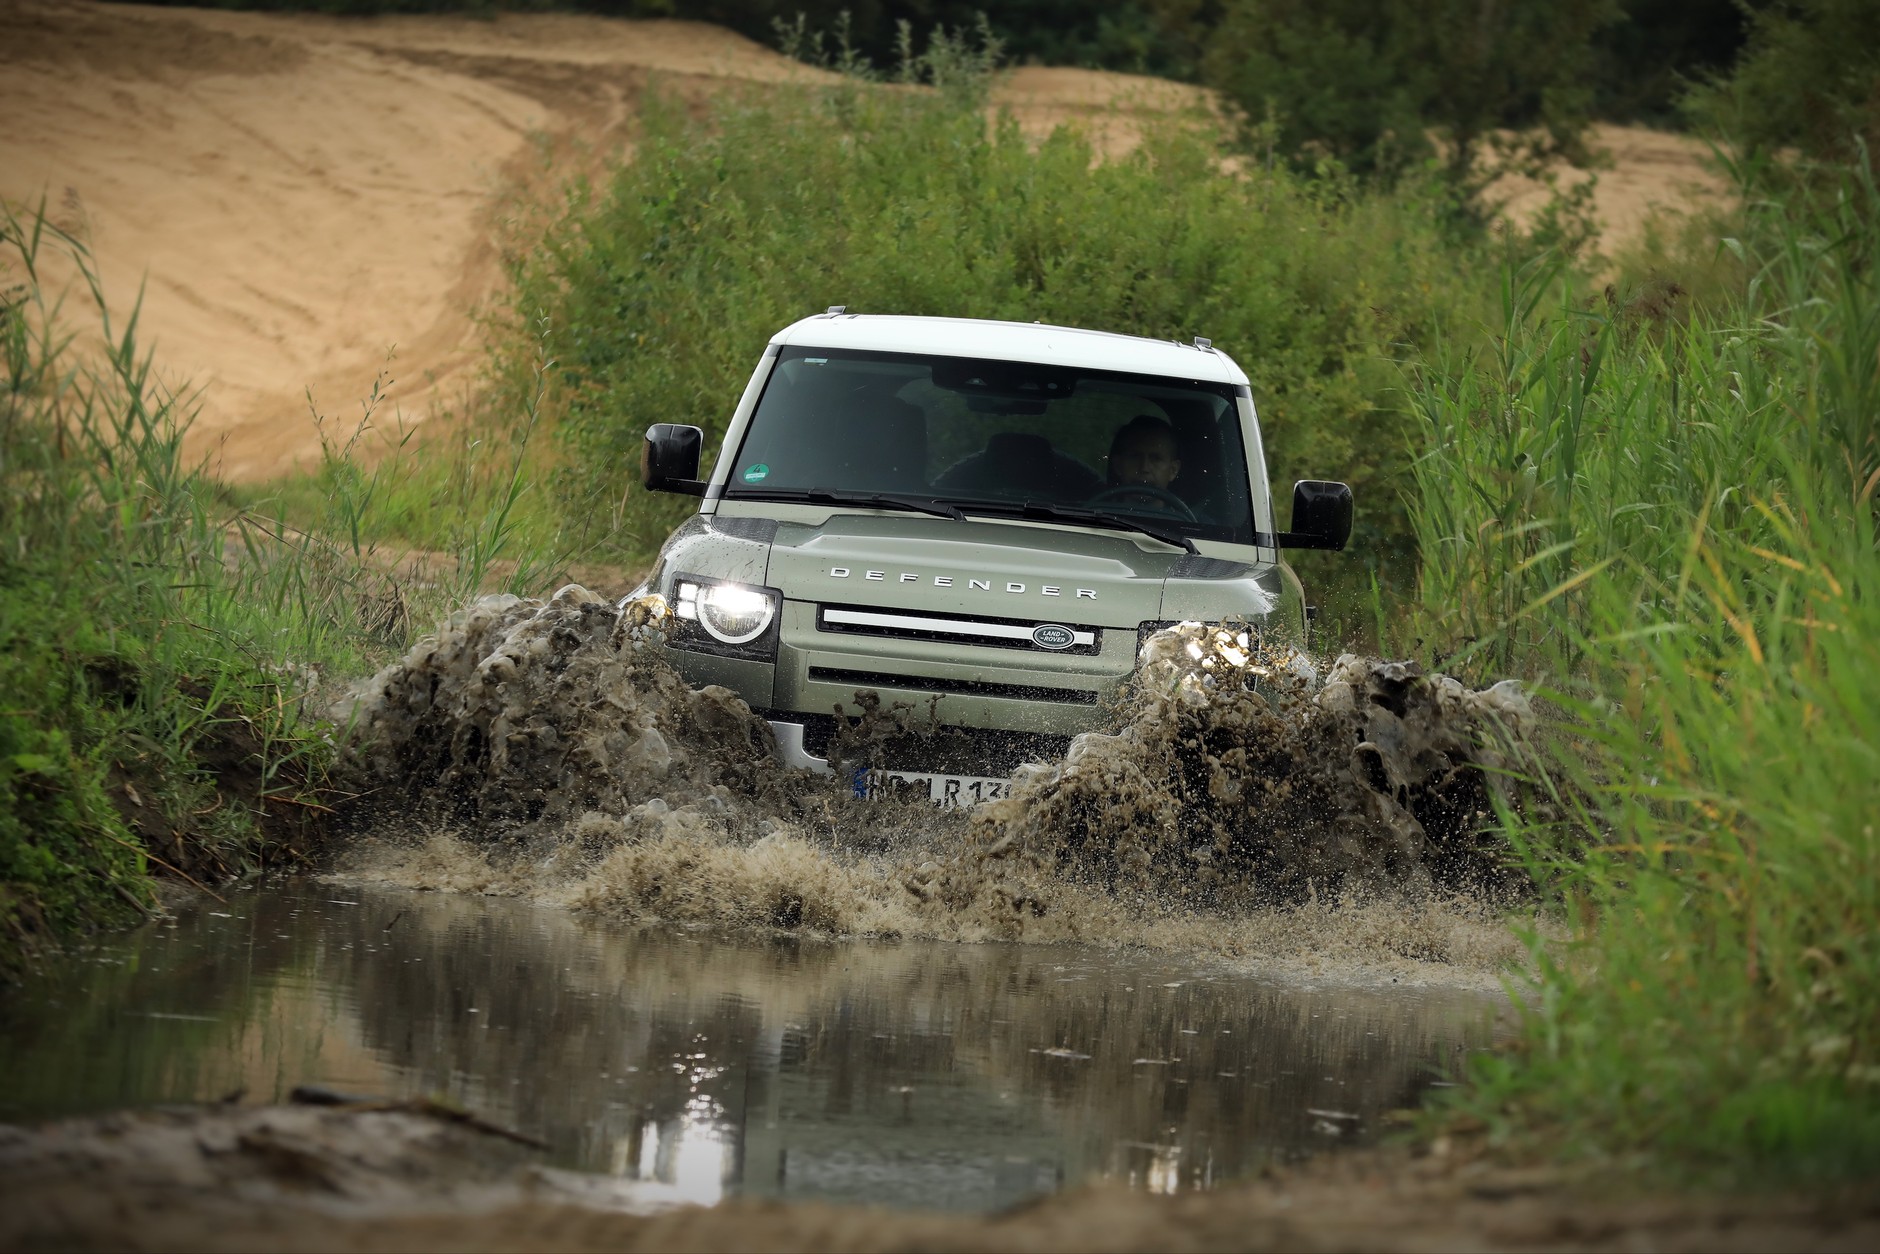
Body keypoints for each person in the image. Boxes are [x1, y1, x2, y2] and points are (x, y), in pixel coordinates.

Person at [1106, 415, 1182, 492]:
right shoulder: (1095, 504)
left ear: (1173, 470)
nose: (1144, 468)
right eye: (1135, 457)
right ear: (1118, 465)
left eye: (1156, 459)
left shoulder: (1192, 505)